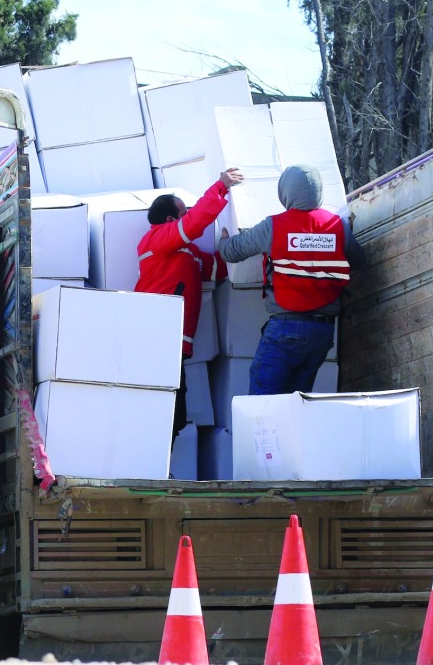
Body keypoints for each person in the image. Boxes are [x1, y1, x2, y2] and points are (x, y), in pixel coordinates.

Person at [217, 163, 366, 396]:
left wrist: (224, 241)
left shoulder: (274, 226)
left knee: (262, 396)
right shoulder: (337, 226)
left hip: (287, 327)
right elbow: (359, 260)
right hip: (323, 332)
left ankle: (260, 435)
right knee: (296, 401)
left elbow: (232, 252)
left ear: (285, 192)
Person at [134, 167, 244, 451]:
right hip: (156, 338)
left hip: (172, 344)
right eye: (185, 212)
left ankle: (157, 467)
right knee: (169, 411)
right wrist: (220, 187)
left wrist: (231, 243)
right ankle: (153, 468)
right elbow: (193, 225)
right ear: (171, 220)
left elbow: (216, 269)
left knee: (174, 412)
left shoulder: (187, 254)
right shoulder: (157, 239)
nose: (189, 215)